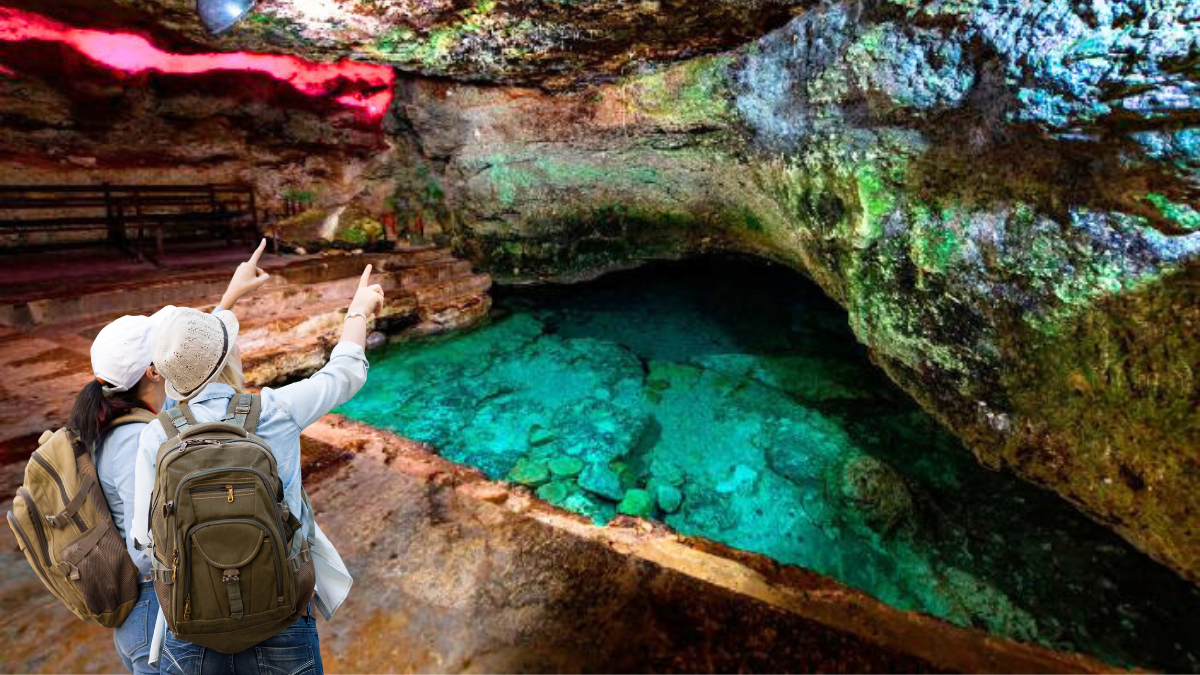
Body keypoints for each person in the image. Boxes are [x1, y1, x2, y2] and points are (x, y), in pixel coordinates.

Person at [131, 259, 384, 675]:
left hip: (192, 625)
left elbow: (143, 538)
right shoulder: (275, 411)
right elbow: (345, 373)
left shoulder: (157, 436)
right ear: (231, 352)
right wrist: (358, 309)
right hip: (282, 617)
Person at [69, 240, 272, 675]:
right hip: (152, 616)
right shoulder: (141, 439)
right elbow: (145, 549)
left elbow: (193, 355)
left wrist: (231, 297)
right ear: (153, 372)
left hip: (145, 618)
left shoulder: (118, 417)